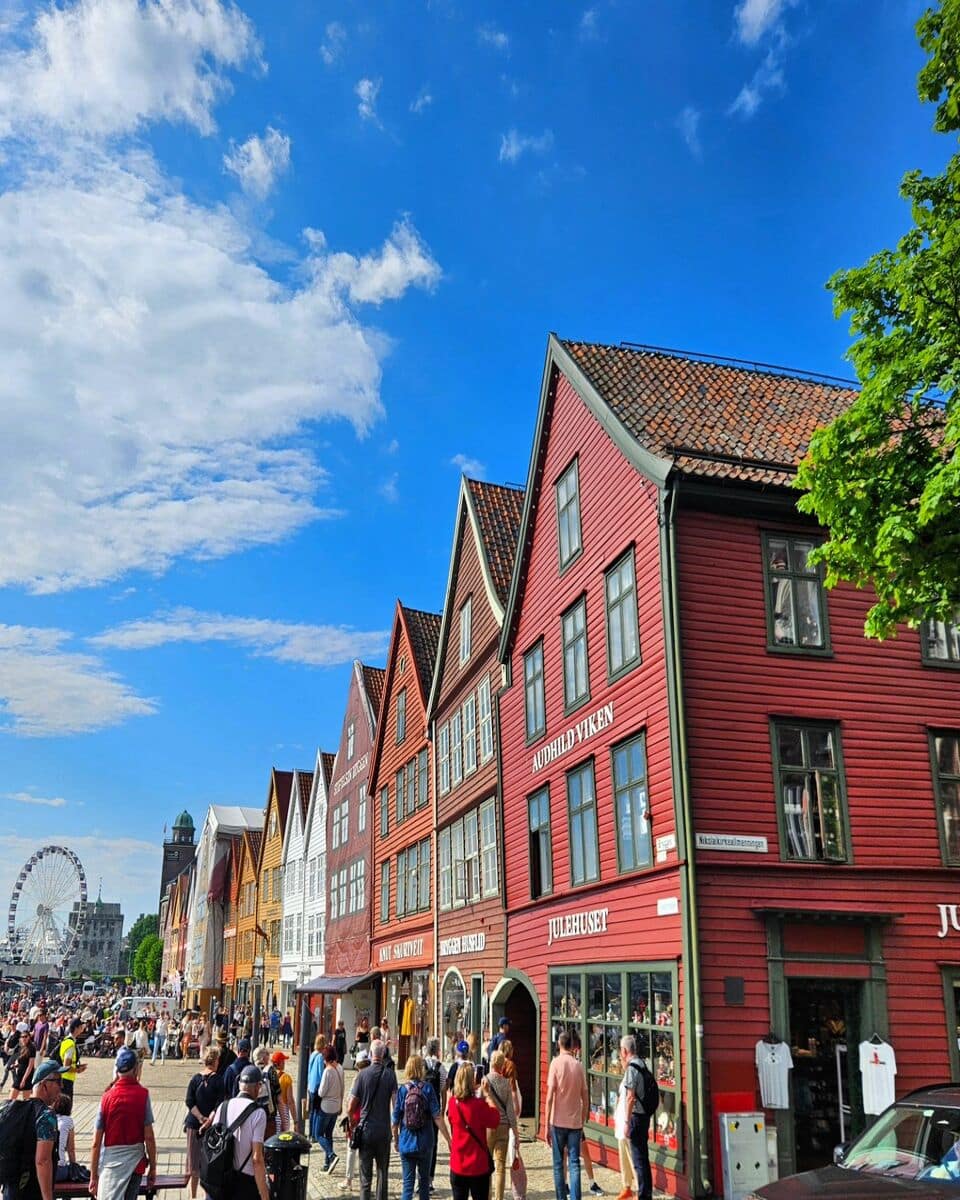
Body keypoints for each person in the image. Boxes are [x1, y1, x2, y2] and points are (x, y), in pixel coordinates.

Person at [90, 1046, 157, 1200]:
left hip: (111, 1163)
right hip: (136, 1164)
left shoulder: (106, 1097)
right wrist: (153, 1167)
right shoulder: (143, 1095)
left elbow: (96, 1142)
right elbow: (149, 1138)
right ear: (135, 1069)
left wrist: (94, 1175)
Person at [392, 1053, 450, 1200]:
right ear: (421, 1069)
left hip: (406, 1141)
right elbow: (437, 1116)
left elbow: (395, 1120)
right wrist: (449, 1140)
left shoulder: (402, 1090)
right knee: (424, 1184)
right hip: (426, 1142)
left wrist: (396, 1140)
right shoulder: (428, 1089)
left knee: (408, 1185)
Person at [209, 1063, 270, 1200]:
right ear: (257, 1087)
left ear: (239, 1084)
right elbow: (257, 1159)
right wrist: (265, 1195)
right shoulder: (258, 1113)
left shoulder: (222, 1107)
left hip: (220, 1179)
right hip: (244, 1182)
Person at [347, 1039, 397, 1200]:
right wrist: (396, 1132)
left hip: (366, 1130)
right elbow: (396, 1107)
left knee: (365, 1178)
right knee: (382, 1174)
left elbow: (350, 1106)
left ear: (371, 1054)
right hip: (383, 1131)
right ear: (383, 1055)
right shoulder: (390, 1075)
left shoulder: (363, 1075)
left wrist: (352, 1122)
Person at [546, 1031, 589, 1200]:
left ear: (559, 1044)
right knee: (574, 1163)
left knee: (558, 1165)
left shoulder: (555, 1064)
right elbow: (585, 1096)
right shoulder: (578, 1066)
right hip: (575, 1123)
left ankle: (561, 1198)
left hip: (557, 1121)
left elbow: (550, 1096)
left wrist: (547, 1122)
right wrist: (583, 1118)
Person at [11, 1058, 62, 1200]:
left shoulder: (15, 1110)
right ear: (45, 1085)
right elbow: (43, 1160)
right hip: (32, 1190)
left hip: (12, 1189)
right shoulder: (46, 1116)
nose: (61, 1086)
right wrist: (48, 1198)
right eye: (58, 1081)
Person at [447, 1063, 499, 1200]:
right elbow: (495, 1119)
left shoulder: (452, 1103)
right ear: (472, 1081)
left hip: (458, 1163)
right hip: (477, 1165)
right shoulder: (479, 1105)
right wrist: (487, 1095)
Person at [184, 1046, 224, 1199]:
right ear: (216, 1061)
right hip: (211, 1128)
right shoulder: (219, 1080)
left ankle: (192, 1196)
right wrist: (208, 1120)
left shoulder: (195, 1079)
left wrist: (200, 1118)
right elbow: (219, 1103)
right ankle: (206, 1195)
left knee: (193, 1166)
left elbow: (189, 1101)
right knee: (209, 1166)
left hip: (193, 1124)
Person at [619, 1037, 652, 1200]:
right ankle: (647, 1192)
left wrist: (626, 1121)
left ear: (625, 1051)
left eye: (621, 1050)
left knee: (638, 1158)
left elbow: (630, 1097)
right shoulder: (642, 1063)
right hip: (645, 1115)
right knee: (643, 1157)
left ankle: (643, 1195)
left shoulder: (632, 1068)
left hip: (637, 1117)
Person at [485, 1052, 518, 1200]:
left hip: (488, 1126)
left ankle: (487, 1196)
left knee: (486, 1166)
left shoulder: (485, 1080)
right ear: (501, 1065)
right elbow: (510, 1110)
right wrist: (516, 1133)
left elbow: (480, 1103)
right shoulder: (506, 1083)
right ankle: (499, 1198)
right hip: (504, 1126)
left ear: (491, 1063)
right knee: (500, 1167)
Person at [339, 1049, 371, 1191]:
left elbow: (351, 1101)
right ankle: (365, 1182)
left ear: (358, 1065)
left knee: (351, 1149)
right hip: (368, 1118)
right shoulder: (372, 1078)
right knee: (365, 1152)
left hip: (356, 1117)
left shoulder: (357, 1079)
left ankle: (348, 1180)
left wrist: (349, 1117)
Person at [316, 1044, 345, 1171]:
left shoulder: (328, 1071)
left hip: (326, 1106)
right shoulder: (340, 1068)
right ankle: (327, 1164)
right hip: (336, 1105)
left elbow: (321, 1092)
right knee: (329, 1135)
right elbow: (343, 1088)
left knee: (318, 1134)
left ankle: (331, 1155)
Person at [423, 1037, 446, 1191]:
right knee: (433, 1144)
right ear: (437, 1049)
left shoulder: (421, 1064)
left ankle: (421, 1178)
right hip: (435, 1109)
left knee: (421, 1142)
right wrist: (442, 1111)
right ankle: (430, 1179)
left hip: (421, 1109)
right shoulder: (441, 1068)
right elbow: (443, 1090)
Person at [307, 1033, 327, 1142]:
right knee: (316, 1111)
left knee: (311, 1111)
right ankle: (314, 1134)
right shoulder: (319, 1056)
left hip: (311, 1086)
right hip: (317, 1087)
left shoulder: (313, 1054)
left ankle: (310, 1133)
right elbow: (320, 1073)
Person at [54, 1092, 77, 1183]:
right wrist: (74, 1167)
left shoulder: (47, 1118)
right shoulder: (68, 1121)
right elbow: (70, 1150)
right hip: (59, 1170)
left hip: (44, 1169)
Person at [271, 1051, 296, 1133]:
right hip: (283, 1111)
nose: (284, 1063)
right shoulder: (286, 1078)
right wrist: (295, 1121)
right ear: (280, 1063)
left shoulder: (269, 1076)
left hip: (272, 1112)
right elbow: (290, 1101)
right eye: (283, 1061)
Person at [10, 1023, 36, 1099]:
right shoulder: (22, 1047)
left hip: (27, 1076)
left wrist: (24, 1080)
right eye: (22, 1037)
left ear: (29, 1037)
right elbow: (22, 1062)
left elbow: (30, 1066)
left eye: (25, 1036)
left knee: (26, 1101)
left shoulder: (32, 1048)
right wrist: (15, 1065)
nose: (23, 1038)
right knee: (11, 1099)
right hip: (19, 1074)